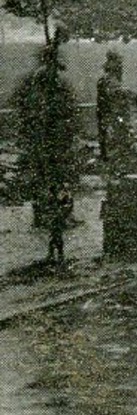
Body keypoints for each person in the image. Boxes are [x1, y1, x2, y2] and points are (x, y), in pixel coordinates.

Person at [11, 38, 79, 265]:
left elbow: (68, 112)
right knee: (55, 187)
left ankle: (54, 230)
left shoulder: (44, 83)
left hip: (47, 145)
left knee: (50, 187)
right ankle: (55, 229)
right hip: (51, 146)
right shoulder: (45, 84)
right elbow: (68, 113)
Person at [96, 51, 136, 172]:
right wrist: (129, 94)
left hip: (108, 116)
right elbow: (115, 94)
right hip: (113, 117)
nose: (121, 69)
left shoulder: (105, 80)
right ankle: (115, 169)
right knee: (116, 143)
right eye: (120, 66)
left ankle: (112, 166)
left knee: (111, 142)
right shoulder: (110, 81)